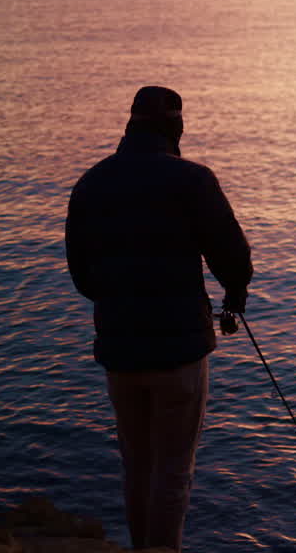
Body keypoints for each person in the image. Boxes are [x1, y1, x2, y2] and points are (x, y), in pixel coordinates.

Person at [65, 86, 252, 551]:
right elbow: (233, 257)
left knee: (138, 467)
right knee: (173, 471)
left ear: (130, 124)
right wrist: (234, 296)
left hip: (120, 351)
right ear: (176, 126)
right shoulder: (192, 180)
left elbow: (81, 275)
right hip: (180, 352)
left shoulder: (91, 182)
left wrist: (120, 304)